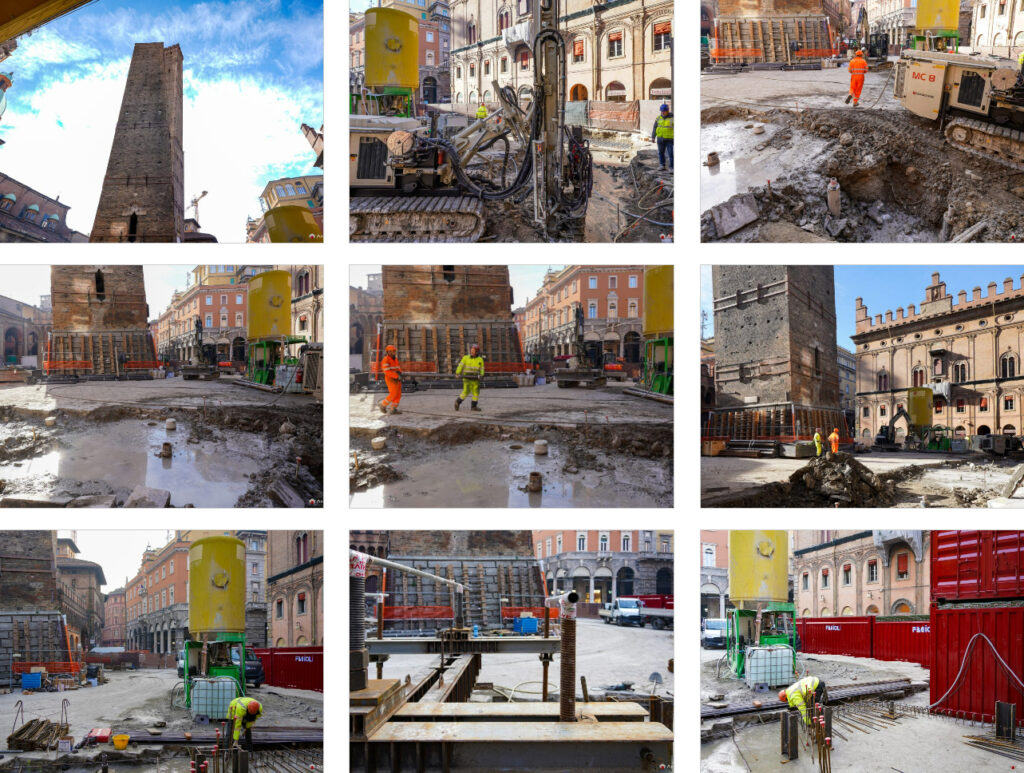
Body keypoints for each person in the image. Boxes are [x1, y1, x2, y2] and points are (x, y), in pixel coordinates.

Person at [455, 343, 485, 412]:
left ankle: (473, 407)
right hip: (467, 378)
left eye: (473, 350)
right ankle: (457, 402)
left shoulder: (480, 360)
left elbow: (482, 369)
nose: (472, 352)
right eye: (471, 350)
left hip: (475, 379)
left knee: (476, 393)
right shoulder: (465, 358)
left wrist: (482, 375)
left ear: (477, 352)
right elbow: (460, 366)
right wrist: (457, 373)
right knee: (466, 392)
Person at [378, 344, 403, 415]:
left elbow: (397, 369)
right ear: (388, 352)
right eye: (392, 351)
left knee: (398, 394)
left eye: (394, 351)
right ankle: (383, 405)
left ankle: (393, 409)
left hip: (397, 379)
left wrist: (400, 375)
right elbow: (386, 371)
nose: (394, 353)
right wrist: (396, 376)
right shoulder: (386, 360)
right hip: (390, 379)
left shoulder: (395, 359)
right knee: (393, 393)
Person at [649, 103, 674, 170]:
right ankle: (662, 165)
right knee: (660, 153)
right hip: (660, 139)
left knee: (671, 154)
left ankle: (672, 167)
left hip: (669, 139)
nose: (662, 112)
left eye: (664, 111)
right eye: (661, 111)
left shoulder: (673, 118)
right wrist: (653, 137)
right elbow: (655, 128)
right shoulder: (658, 118)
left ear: (667, 111)